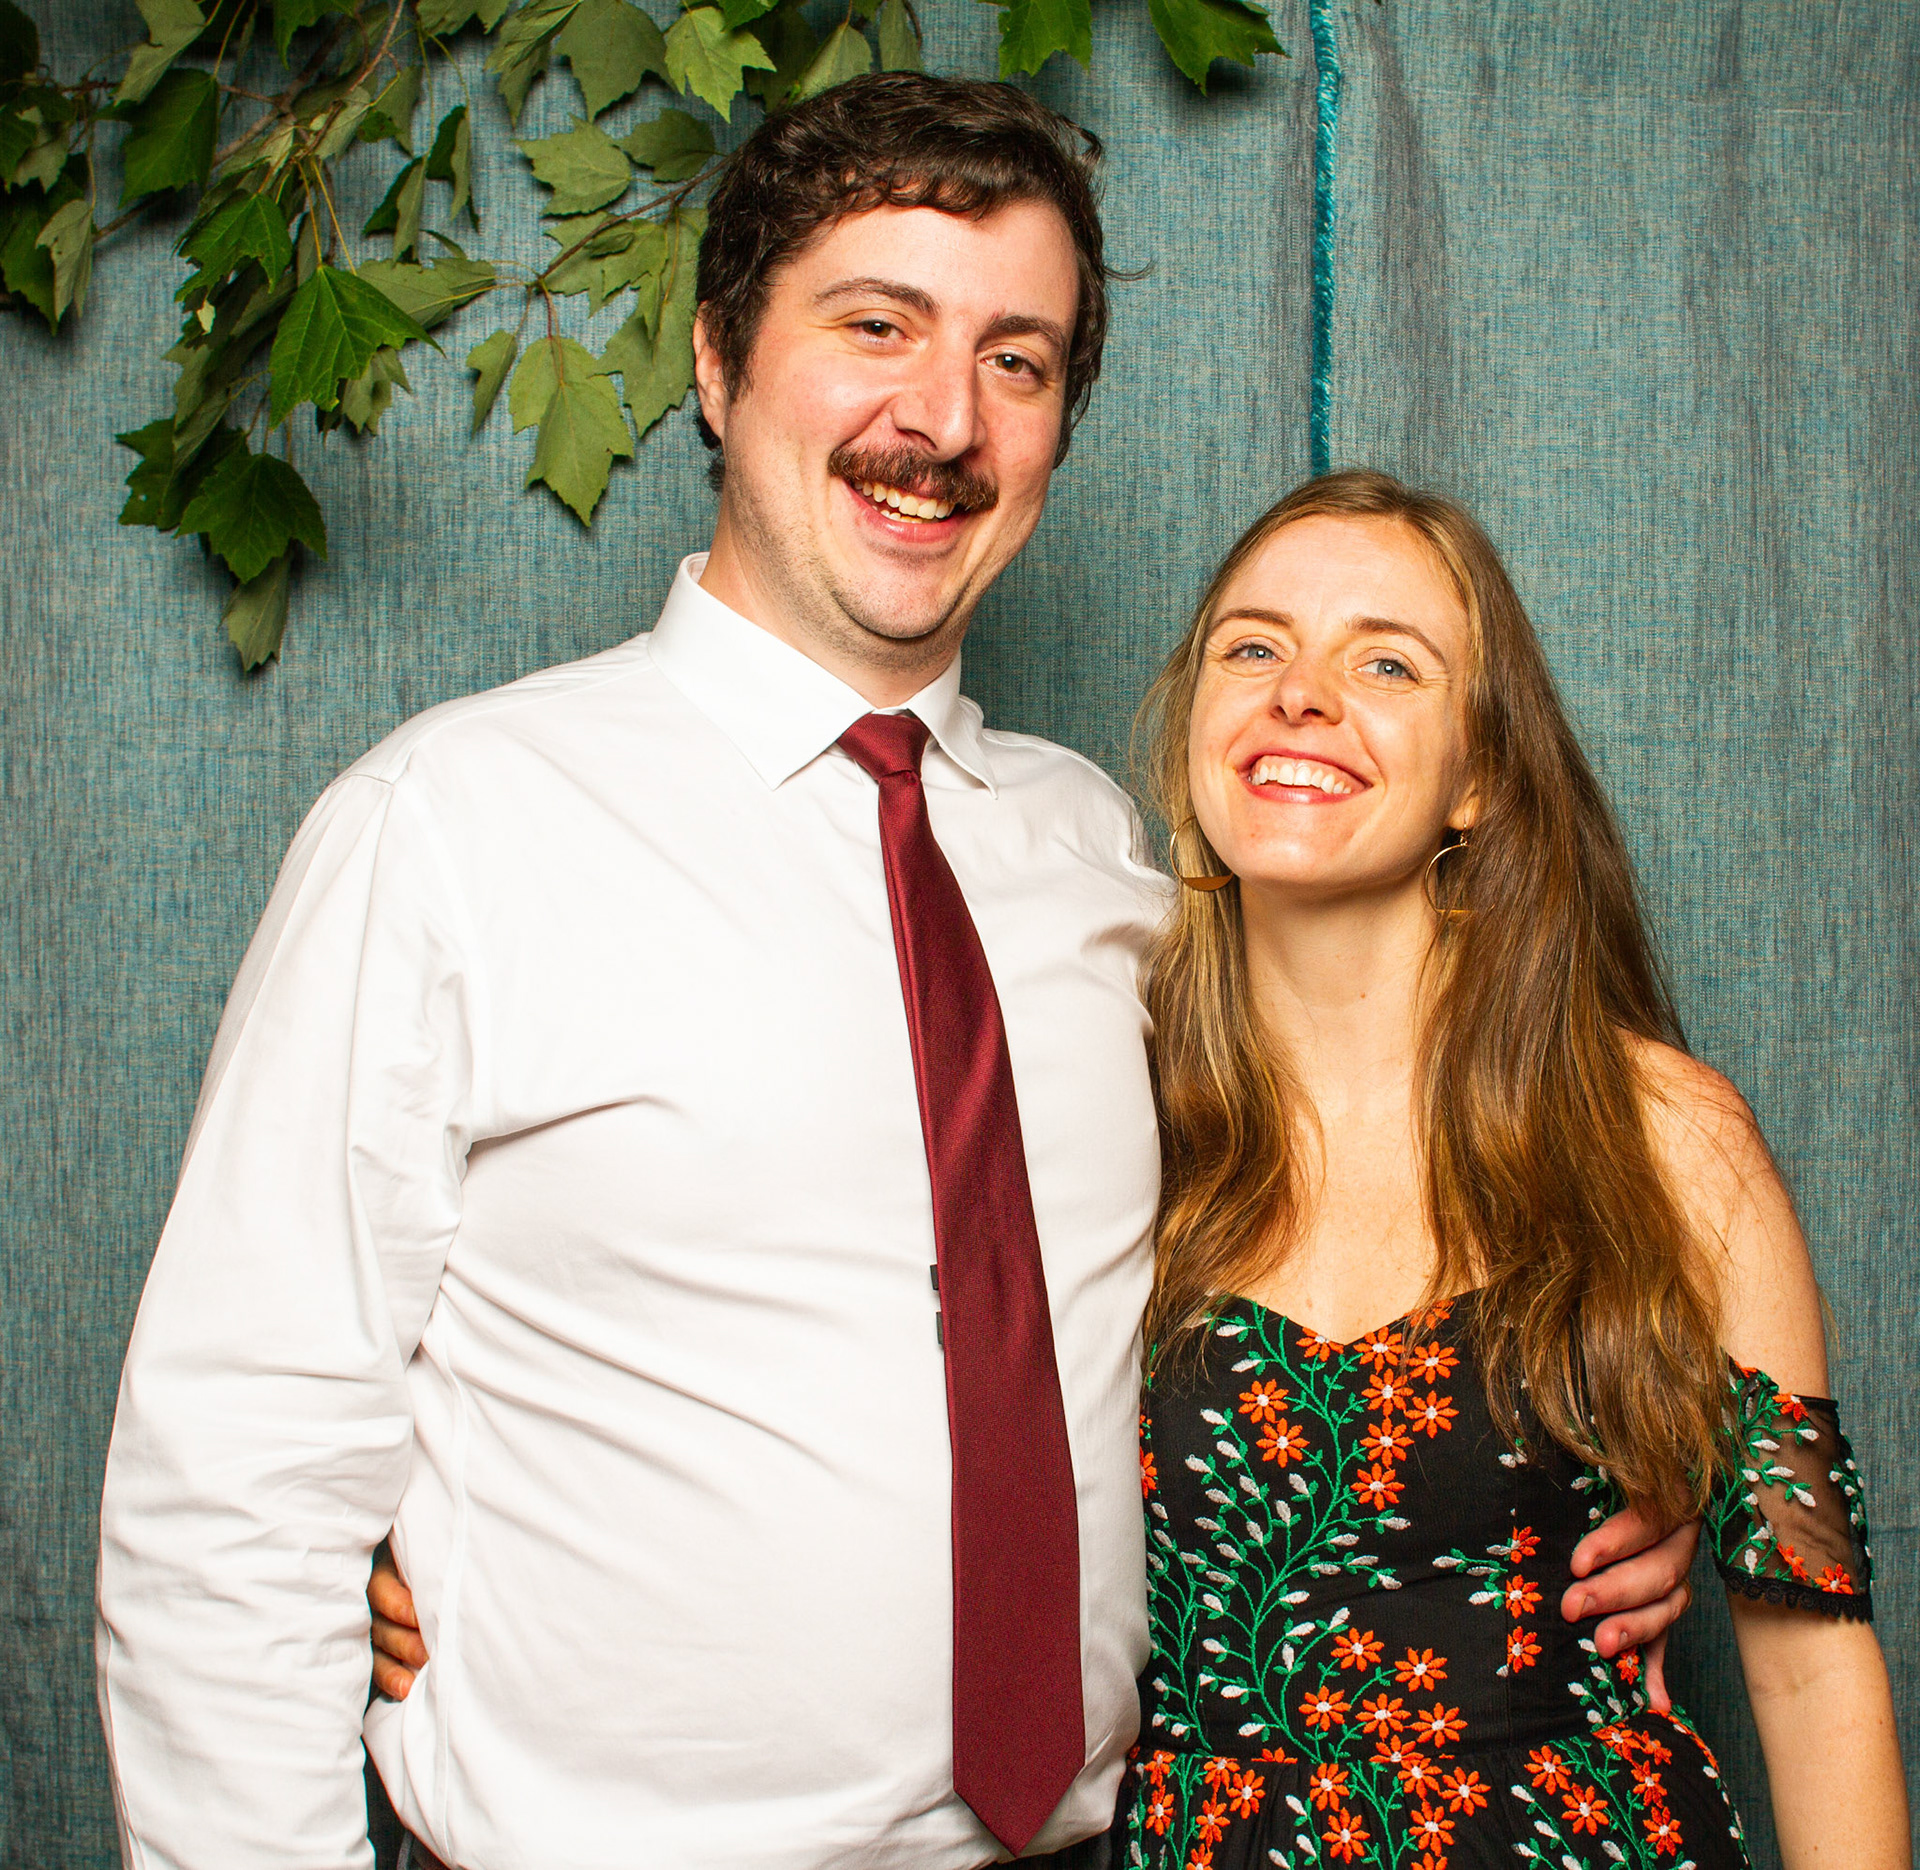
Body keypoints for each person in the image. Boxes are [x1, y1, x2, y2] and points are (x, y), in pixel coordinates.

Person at [95, 77, 1695, 1870]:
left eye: (1017, 360)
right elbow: (231, 1479)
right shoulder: (453, 827)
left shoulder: (1111, 861)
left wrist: (1556, 1482)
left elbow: (1353, 1189)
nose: (942, 420)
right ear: (718, 362)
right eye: (877, 327)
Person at [1116, 470, 1907, 1867]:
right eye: (1254, 646)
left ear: (1478, 777)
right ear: (1194, 732)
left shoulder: (1666, 1136)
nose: (1300, 694)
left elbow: (1811, 1665)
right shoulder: (1094, 1113)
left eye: (1386, 663)